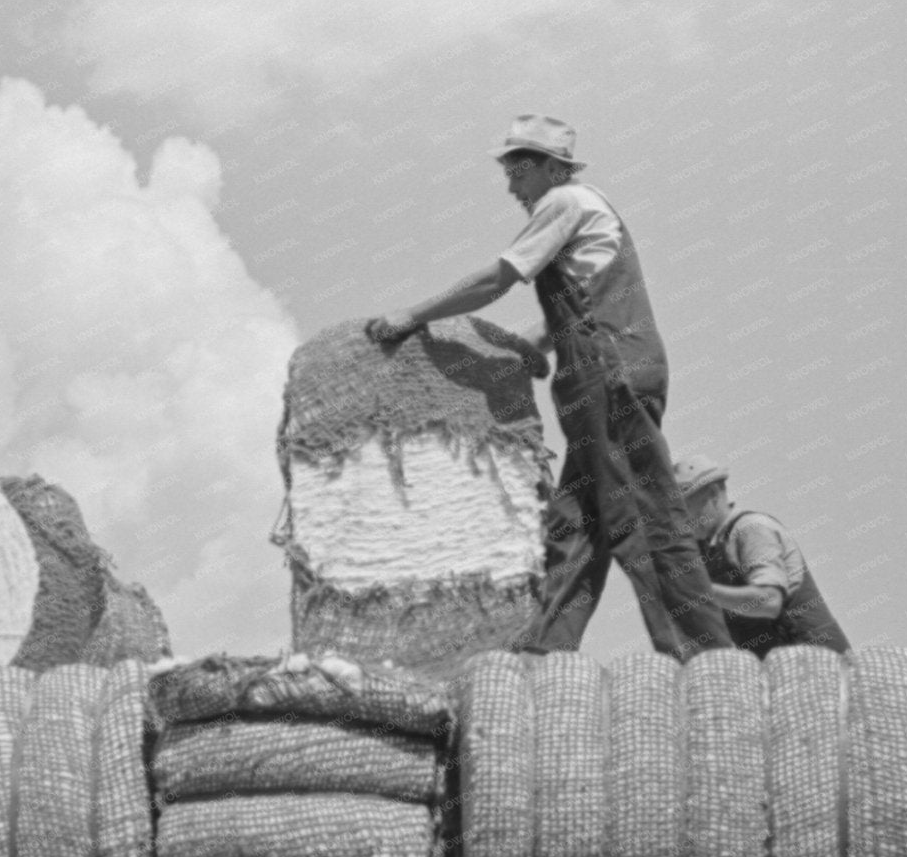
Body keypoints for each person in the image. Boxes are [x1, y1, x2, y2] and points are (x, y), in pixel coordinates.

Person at [365, 114, 731, 661]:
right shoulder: (588, 207)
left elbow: (497, 280)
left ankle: (705, 657)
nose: (512, 187)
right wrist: (529, 345)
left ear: (550, 168)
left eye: (518, 172)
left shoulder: (564, 202)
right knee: (578, 519)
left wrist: (412, 315)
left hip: (608, 371)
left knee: (640, 510)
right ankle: (543, 650)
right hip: (605, 370)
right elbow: (581, 300)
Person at [675, 454, 852, 656]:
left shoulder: (751, 529)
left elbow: (769, 602)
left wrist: (700, 591)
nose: (682, 519)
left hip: (819, 660)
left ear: (713, 494)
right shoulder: (709, 548)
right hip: (778, 667)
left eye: (686, 507)